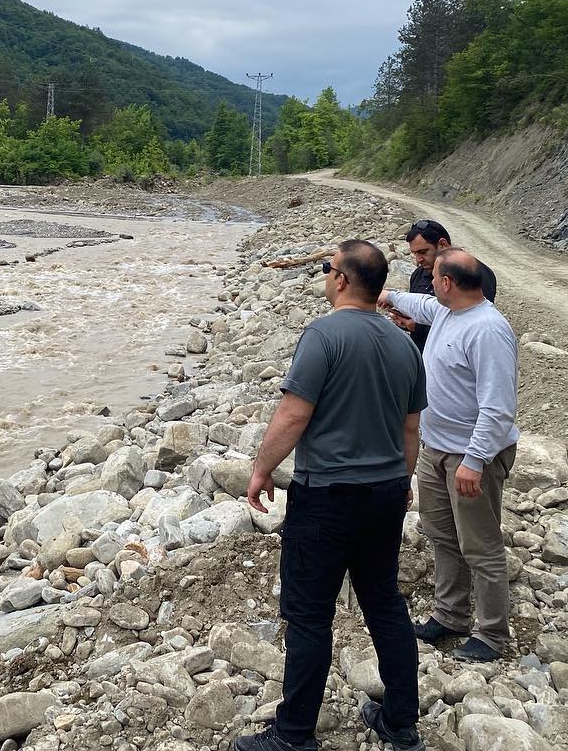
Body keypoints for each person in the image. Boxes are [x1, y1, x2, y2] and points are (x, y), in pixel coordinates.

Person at [236, 240, 427, 751]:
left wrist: (261, 469)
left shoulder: (323, 335)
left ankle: (295, 734)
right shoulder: (404, 344)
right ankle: (400, 722)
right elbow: (412, 430)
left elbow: (294, 415)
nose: (325, 278)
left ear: (341, 279)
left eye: (328, 270)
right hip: (385, 494)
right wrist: (402, 483)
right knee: (384, 604)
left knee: (309, 616)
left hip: (327, 497)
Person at [380, 248, 518, 663]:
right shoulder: (447, 312)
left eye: (434, 276)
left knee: (480, 544)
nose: (429, 283)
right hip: (435, 447)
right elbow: (418, 305)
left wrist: (475, 461)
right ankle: (450, 615)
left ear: (448, 283)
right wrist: (385, 296)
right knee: (441, 534)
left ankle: (492, 635)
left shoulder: (488, 330)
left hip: (470, 455)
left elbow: (498, 408)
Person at [391, 220, 497, 352]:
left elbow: (472, 324)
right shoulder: (419, 275)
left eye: (423, 252)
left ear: (442, 244)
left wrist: (417, 327)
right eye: (415, 253)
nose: (418, 260)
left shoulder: (475, 273)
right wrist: (404, 320)